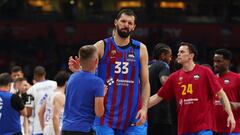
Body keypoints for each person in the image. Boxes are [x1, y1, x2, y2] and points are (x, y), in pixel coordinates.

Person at [68, 9, 150, 135]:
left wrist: (144, 109)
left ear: (133, 27)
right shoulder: (101, 46)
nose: (126, 25)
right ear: (116, 22)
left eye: (129, 23)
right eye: (123, 21)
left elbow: (145, 83)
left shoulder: (141, 49)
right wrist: (79, 71)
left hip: (133, 115)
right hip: (105, 116)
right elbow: (88, 71)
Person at [148, 42, 236, 135]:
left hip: (204, 127)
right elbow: (158, 96)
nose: (178, 54)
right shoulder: (174, 77)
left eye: (182, 52)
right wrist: (141, 107)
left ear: (191, 55)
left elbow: (220, 94)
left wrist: (230, 114)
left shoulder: (205, 72)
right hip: (184, 128)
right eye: (178, 52)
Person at [62, 45, 106, 135]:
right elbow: (99, 112)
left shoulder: (72, 77)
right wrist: (103, 96)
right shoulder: (97, 82)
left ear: (80, 60)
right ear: (96, 61)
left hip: (66, 128)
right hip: (84, 129)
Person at [213, 49, 240, 135]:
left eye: (219, 61)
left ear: (228, 62)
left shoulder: (237, 78)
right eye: (214, 61)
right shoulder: (212, 79)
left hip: (233, 129)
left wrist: (237, 105)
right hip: (214, 128)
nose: (215, 64)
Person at [148, 43, 173, 135]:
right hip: (161, 117)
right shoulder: (163, 65)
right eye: (169, 56)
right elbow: (164, 81)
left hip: (145, 115)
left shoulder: (145, 66)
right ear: (163, 55)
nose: (170, 59)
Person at [26, 66, 57, 135]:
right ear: (45, 74)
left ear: (34, 75)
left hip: (38, 128)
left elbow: (28, 113)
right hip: (55, 125)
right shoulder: (55, 84)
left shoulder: (30, 90)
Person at [38, 70, 70, 135]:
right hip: (56, 129)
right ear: (66, 82)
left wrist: (44, 128)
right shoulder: (60, 96)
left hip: (48, 128)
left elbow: (40, 112)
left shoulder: (50, 93)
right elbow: (55, 117)